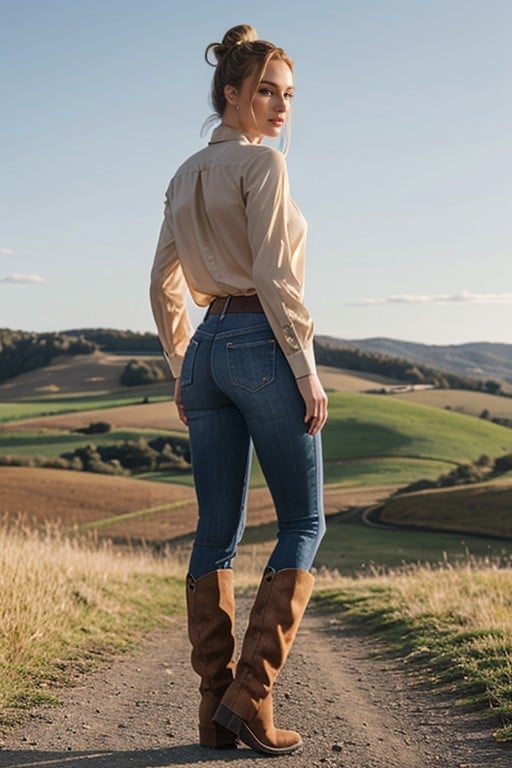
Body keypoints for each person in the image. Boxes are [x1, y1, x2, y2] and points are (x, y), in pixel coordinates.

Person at [150, 23, 328, 756]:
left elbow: (161, 282)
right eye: (267, 92)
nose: (281, 107)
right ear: (233, 93)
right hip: (261, 341)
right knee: (304, 522)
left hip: (207, 350)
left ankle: (209, 710)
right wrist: (307, 369)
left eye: (288, 95)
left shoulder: (185, 172)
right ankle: (248, 696)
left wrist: (181, 363)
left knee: (215, 531)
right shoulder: (266, 168)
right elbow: (278, 278)